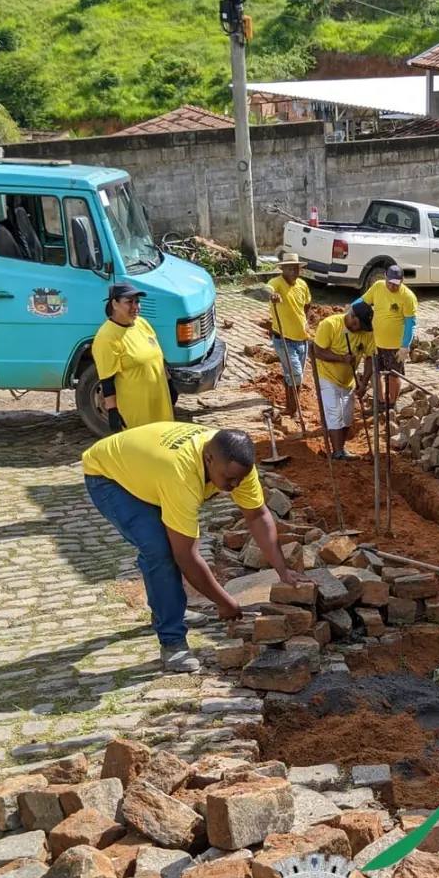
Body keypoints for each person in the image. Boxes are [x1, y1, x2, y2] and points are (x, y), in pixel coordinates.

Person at [82, 422, 307, 673]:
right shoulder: (181, 474)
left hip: (148, 469)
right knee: (160, 551)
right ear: (208, 459)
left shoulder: (237, 463)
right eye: (229, 479)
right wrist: (224, 602)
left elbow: (256, 516)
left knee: (166, 544)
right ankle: (172, 642)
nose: (235, 485)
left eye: (240, 479)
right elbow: (186, 555)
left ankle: (169, 607)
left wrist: (282, 570)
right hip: (110, 478)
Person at [92, 282, 174, 434]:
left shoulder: (142, 323)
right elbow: (107, 380)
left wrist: (170, 384)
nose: (135, 307)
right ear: (114, 304)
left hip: (160, 404)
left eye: (137, 301)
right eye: (129, 302)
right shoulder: (107, 337)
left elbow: (157, 357)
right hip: (136, 411)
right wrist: (112, 411)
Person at [311, 302, 376, 459]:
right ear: (352, 316)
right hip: (327, 376)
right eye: (359, 324)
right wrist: (341, 358)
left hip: (348, 380)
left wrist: (364, 382)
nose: (361, 329)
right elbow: (317, 351)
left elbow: (369, 358)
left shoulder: (366, 332)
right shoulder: (330, 325)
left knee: (347, 416)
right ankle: (338, 452)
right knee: (334, 413)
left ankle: (341, 448)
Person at [352, 263, 417, 409]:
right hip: (376, 343)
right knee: (376, 373)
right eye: (390, 283)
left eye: (396, 284)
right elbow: (364, 301)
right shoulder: (378, 287)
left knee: (394, 376)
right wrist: (352, 308)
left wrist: (405, 345)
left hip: (395, 346)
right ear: (385, 277)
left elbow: (410, 323)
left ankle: (391, 403)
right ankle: (380, 402)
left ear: (401, 281)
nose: (392, 287)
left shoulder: (407, 297)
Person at [269, 252, 313, 419]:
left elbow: (307, 304)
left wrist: (305, 321)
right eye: (289, 269)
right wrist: (272, 296)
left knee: (293, 376)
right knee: (296, 375)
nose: (294, 272)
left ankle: (291, 407)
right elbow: (267, 289)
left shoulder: (302, 285)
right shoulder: (277, 283)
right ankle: (294, 410)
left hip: (302, 339)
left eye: (296, 268)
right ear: (283, 269)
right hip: (284, 339)